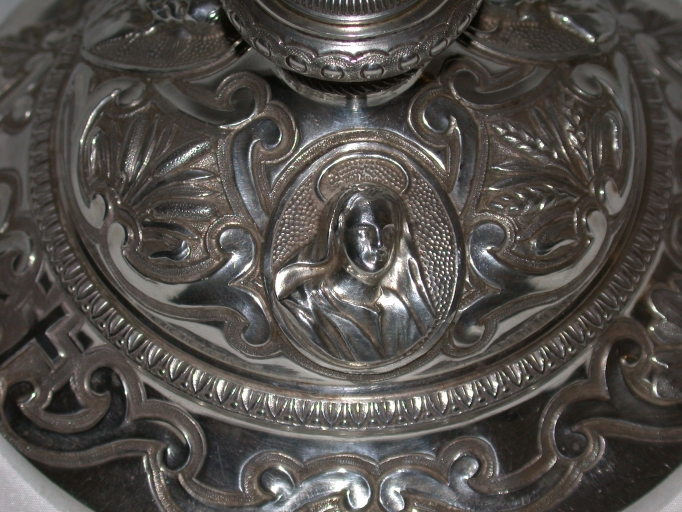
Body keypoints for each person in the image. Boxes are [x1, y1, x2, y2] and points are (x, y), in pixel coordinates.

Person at [275, 184, 435, 363]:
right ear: (338, 235)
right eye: (365, 232)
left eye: (389, 232)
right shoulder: (305, 308)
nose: (380, 244)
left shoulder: (399, 310)